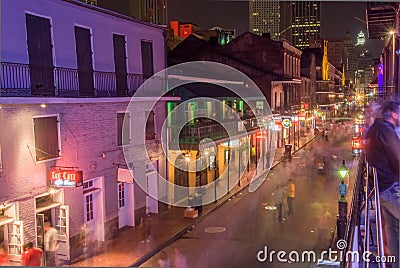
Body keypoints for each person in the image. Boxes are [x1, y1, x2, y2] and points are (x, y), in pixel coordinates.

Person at [365, 99, 400, 268]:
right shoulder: (385, 131)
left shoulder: (375, 129)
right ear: (394, 114)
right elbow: (398, 158)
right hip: (390, 188)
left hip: (381, 189)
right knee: (393, 229)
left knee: (392, 229)